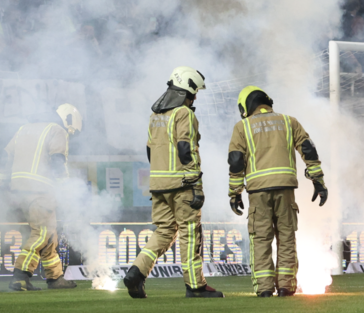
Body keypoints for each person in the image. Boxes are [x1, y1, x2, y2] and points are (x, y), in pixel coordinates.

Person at [123, 67, 222, 299]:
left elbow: (149, 150)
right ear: (185, 89)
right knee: (190, 232)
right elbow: (186, 149)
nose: (194, 97)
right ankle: (195, 286)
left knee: (164, 231)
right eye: (193, 92)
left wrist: (160, 177)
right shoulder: (183, 114)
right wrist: (196, 184)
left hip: (158, 184)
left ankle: (136, 273)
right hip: (182, 184)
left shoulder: (155, 115)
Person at [227, 86, 328, 297]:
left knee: (261, 239)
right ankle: (285, 287)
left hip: (258, 193)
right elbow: (308, 148)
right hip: (286, 190)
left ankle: (264, 289)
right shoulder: (288, 121)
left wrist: (235, 192)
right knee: (287, 237)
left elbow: (236, 161)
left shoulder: (242, 127)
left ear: (247, 105)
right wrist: (318, 181)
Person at [0, 104, 83, 291]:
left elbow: (4, 156)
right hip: (40, 189)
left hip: (18, 190)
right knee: (42, 233)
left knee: (50, 234)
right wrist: (66, 188)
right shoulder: (57, 130)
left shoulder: (23, 129)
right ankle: (21, 275)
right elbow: (58, 162)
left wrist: (0, 182)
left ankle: (55, 277)